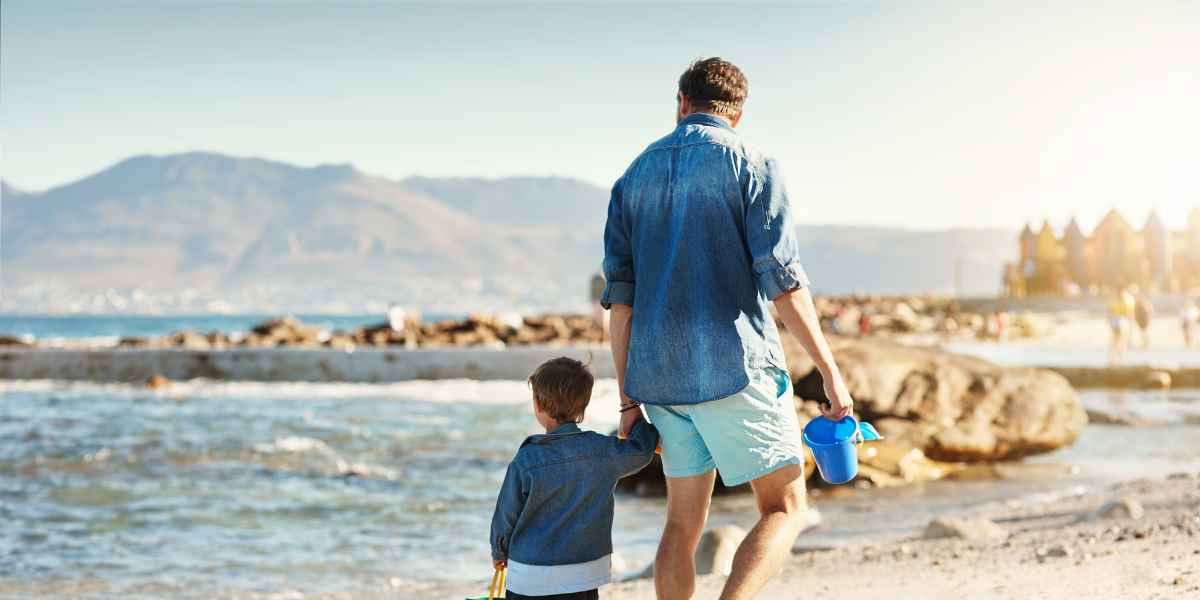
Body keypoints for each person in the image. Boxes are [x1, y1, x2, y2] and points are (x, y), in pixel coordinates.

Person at [601, 57, 854, 600]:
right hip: (734, 369)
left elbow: (619, 306)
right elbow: (783, 283)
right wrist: (830, 371)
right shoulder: (753, 164)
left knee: (681, 524)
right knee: (784, 507)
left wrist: (627, 401)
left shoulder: (631, 178)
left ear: (682, 103)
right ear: (736, 115)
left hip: (659, 378)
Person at [490, 357, 659, 600]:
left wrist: (499, 549)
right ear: (584, 405)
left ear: (537, 404)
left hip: (531, 575)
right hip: (583, 572)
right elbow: (642, 451)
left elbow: (507, 512)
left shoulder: (526, 458)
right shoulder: (604, 450)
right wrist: (638, 420)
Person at [1108, 287, 1134, 367]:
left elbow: (1109, 312)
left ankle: (1113, 359)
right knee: (1121, 341)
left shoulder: (1114, 300)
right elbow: (1129, 314)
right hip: (1121, 321)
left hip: (1116, 320)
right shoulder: (1127, 300)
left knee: (1116, 341)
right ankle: (1120, 359)